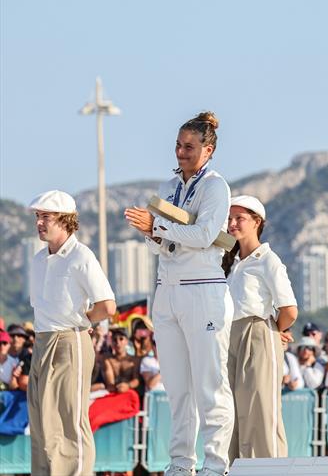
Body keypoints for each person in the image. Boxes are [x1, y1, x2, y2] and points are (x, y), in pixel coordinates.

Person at [124, 111, 234, 476]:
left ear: (209, 150)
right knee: (177, 388)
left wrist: (159, 227)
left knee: (210, 385)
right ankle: (180, 464)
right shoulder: (168, 187)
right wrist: (154, 234)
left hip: (203, 290)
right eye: (178, 145)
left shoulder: (215, 186)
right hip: (166, 290)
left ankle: (216, 465)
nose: (181, 153)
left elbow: (205, 236)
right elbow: (162, 247)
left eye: (189, 147)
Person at [27, 190, 117, 475]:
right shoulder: (39, 259)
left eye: (46, 217)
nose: (40, 223)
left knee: (69, 421)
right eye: (38, 217)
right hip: (41, 340)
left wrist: (83, 320)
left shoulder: (81, 256)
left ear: (65, 220)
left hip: (70, 340)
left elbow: (108, 306)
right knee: (42, 423)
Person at [222, 195, 298, 460]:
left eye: (239, 218)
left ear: (257, 222)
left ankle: (270, 469)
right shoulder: (230, 262)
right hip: (228, 336)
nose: (232, 224)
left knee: (261, 411)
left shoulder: (268, 260)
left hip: (257, 333)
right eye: (230, 218)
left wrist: (273, 332)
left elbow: (289, 309)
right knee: (231, 411)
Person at [103, 328, 141, 396]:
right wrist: (118, 387)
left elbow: (136, 380)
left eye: (121, 339)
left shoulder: (134, 360)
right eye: (115, 340)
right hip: (114, 393)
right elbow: (110, 383)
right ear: (112, 342)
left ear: (126, 341)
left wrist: (128, 386)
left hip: (130, 393)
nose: (118, 342)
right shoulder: (108, 360)